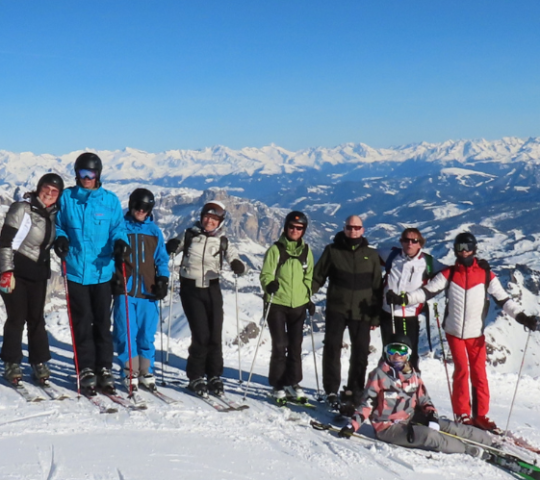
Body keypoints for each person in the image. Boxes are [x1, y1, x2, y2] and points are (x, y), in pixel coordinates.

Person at [387, 232, 539, 432]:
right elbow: (426, 292)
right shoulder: (449, 274)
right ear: (455, 250)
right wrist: (404, 299)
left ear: (474, 249)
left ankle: (481, 416)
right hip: (454, 333)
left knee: (479, 374)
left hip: (476, 334)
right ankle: (462, 414)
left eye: (468, 247)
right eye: (460, 247)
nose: (464, 251)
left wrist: (522, 317)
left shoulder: (485, 275)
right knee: (462, 371)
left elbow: (504, 300)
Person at [339, 333, 497, 459]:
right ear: (386, 352)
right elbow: (367, 404)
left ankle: (489, 442)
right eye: (392, 350)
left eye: (401, 351)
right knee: (429, 436)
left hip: (410, 416)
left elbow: (425, 400)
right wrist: (352, 425)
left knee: (448, 426)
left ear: (408, 354)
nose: (396, 355)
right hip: (387, 427)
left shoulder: (412, 375)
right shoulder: (378, 376)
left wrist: (432, 416)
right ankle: (469, 449)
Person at [54, 152, 129, 393]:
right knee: (82, 321)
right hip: (76, 270)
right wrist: (61, 239)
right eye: (83, 174)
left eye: (91, 174)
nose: (87, 178)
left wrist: (120, 243)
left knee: (102, 321)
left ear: (98, 175)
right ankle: (85, 368)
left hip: (102, 271)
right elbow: (58, 225)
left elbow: (118, 227)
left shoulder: (110, 200)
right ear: (77, 174)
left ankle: (104, 367)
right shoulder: (67, 198)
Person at [166, 200, 245, 397]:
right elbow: (173, 247)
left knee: (214, 334)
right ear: (201, 216)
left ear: (220, 221)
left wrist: (237, 265)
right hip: (190, 288)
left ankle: (214, 376)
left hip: (212, 287)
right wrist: (172, 245)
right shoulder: (190, 234)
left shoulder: (223, 240)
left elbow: (234, 257)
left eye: (214, 218)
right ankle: (195, 376)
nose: (209, 221)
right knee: (201, 334)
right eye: (207, 217)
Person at [312, 215, 382, 411]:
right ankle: (331, 390)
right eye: (349, 227)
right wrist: (306, 295)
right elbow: (318, 277)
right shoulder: (332, 251)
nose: (353, 231)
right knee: (332, 348)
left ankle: (355, 389)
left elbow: (377, 286)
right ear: (344, 229)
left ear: (363, 230)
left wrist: (376, 314)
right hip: (337, 307)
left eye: (356, 228)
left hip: (363, 310)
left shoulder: (371, 255)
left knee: (360, 351)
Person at [0, 174, 64, 385]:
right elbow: (6, 241)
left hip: (38, 274)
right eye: (47, 188)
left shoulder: (53, 214)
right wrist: (6, 271)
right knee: (17, 318)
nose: (50, 193)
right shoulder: (22, 209)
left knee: (36, 319)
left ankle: (39, 362)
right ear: (38, 188)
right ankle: (11, 362)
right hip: (16, 272)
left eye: (55, 191)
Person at [112, 188, 169, 392]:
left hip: (148, 290)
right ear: (131, 205)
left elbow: (162, 259)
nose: (141, 211)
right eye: (138, 206)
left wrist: (163, 279)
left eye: (146, 208)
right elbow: (110, 254)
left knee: (146, 333)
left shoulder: (154, 231)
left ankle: (146, 370)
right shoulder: (120, 227)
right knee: (126, 332)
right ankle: (130, 370)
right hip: (125, 288)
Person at [259, 211, 314, 404]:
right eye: (292, 227)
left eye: (299, 228)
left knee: (296, 345)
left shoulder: (306, 251)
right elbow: (266, 273)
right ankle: (278, 385)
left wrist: (308, 298)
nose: (295, 230)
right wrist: (269, 285)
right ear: (285, 227)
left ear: (303, 230)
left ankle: (293, 382)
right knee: (280, 344)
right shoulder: (276, 250)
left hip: (298, 304)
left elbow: (309, 277)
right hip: (277, 303)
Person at [379, 228, 444, 372]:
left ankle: (412, 385)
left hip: (409, 316)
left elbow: (449, 273)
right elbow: (368, 254)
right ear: (401, 242)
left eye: (414, 241)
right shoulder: (391, 255)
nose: (410, 243)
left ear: (420, 244)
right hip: (387, 313)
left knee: (409, 353)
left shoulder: (427, 262)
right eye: (406, 240)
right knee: (388, 351)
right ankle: (387, 384)